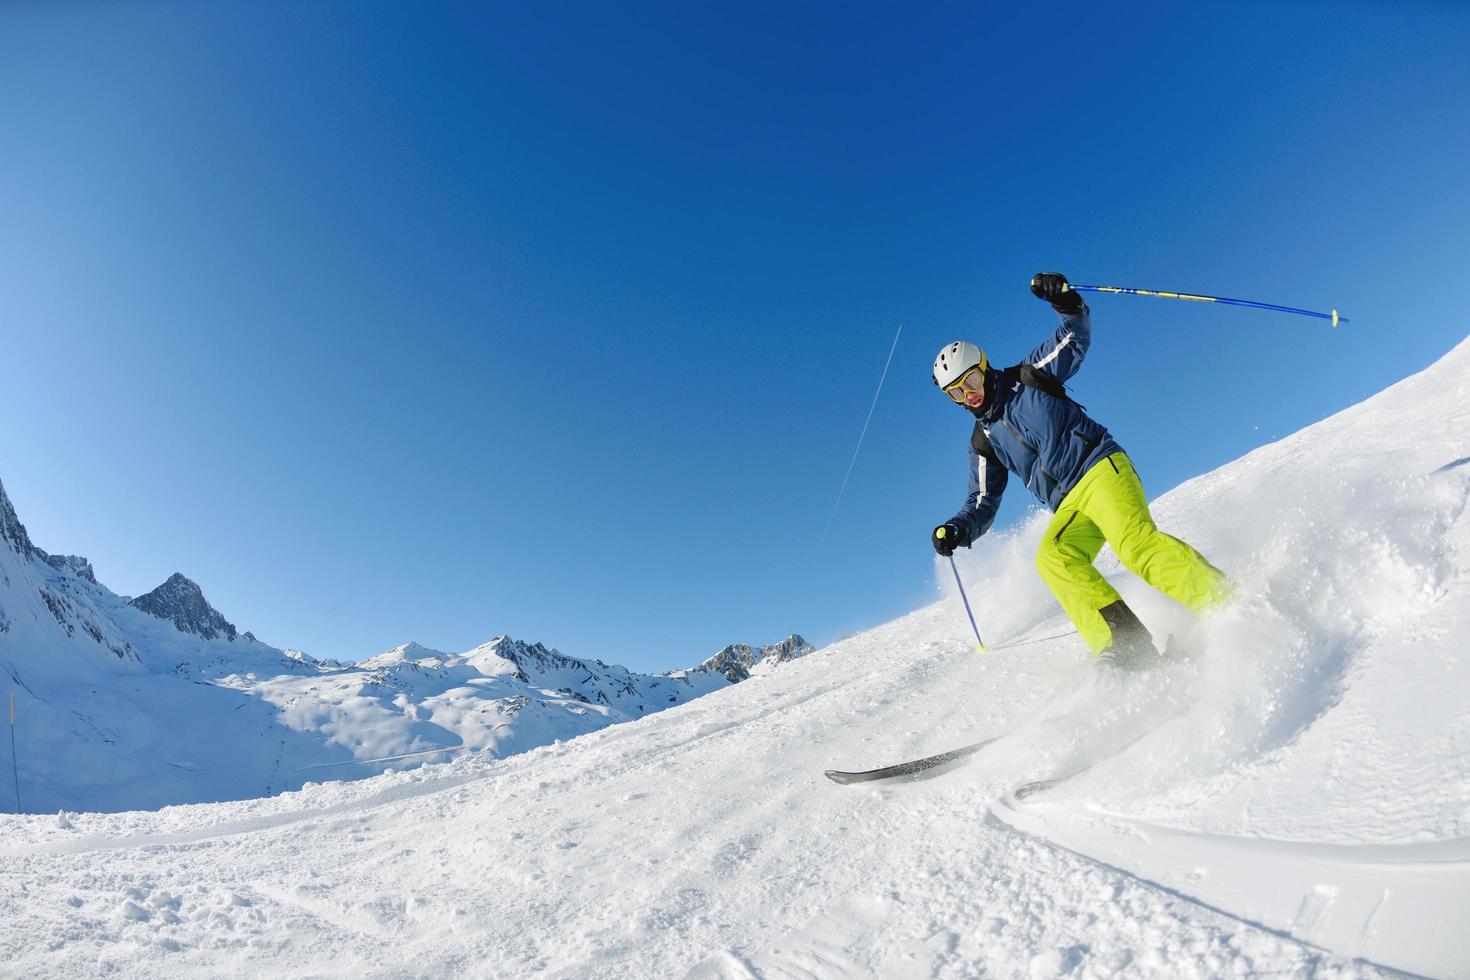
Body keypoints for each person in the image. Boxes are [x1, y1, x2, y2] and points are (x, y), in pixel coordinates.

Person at [931, 272, 1229, 666]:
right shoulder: (983, 442)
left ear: (983, 367)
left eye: (969, 380)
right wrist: (959, 528)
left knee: (1134, 547)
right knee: (1053, 557)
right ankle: (1126, 645)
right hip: (1070, 504)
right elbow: (982, 500)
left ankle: (1226, 605)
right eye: (956, 392)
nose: (969, 394)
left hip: (1100, 468)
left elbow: (1074, 338)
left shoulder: (1029, 377)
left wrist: (1067, 303)